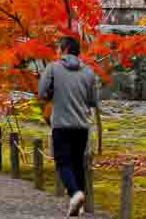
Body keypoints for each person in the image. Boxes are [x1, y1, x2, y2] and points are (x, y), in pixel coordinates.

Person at [38, 36, 102, 216]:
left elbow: (42, 93)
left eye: (59, 48)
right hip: (81, 125)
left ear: (65, 49)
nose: (57, 51)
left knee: (62, 162)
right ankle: (78, 207)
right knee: (77, 164)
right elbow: (93, 101)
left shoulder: (53, 68)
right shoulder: (89, 72)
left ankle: (75, 194)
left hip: (61, 125)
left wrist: (53, 93)